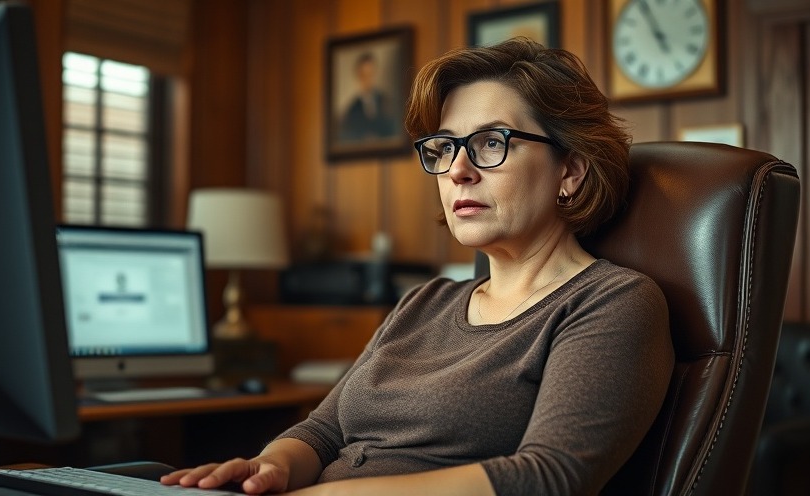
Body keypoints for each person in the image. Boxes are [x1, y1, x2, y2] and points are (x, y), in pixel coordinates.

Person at [161, 37, 675, 495]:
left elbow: (550, 477)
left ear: (571, 170)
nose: (457, 170)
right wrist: (268, 468)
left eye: (491, 143)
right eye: (444, 147)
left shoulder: (611, 301)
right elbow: (322, 432)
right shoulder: (425, 302)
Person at [338, 51, 397, 141]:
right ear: (359, 76)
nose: (368, 80)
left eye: (370, 75)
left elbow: (392, 131)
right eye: (364, 75)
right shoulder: (352, 109)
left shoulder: (385, 101)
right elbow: (349, 137)